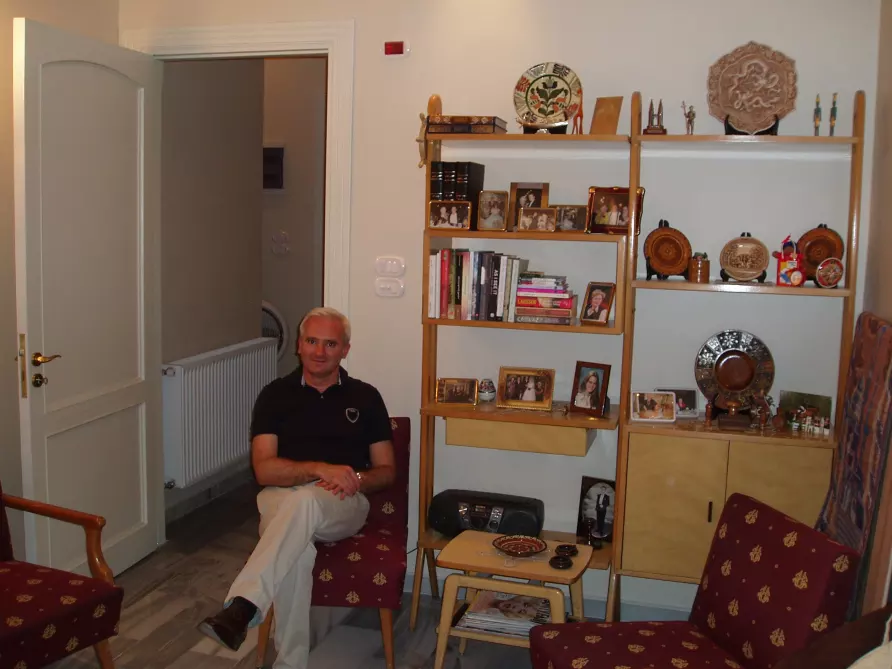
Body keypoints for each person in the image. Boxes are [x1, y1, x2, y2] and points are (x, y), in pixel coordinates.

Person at [198, 307, 395, 669]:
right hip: (279, 497)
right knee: (297, 550)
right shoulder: (274, 395)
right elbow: (264, 470)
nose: (320, 352)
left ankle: (242, 606)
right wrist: (318, 469)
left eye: (330, 344)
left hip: (343, 502)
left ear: (345, 350)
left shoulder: (366, 397)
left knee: (304, 502)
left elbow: (387, 471)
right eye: (311, 341)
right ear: (299, 347)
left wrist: (355, 479)